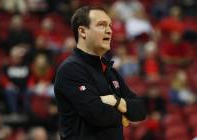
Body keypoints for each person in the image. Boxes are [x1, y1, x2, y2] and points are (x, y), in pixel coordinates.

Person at [54, 6, 146, 140]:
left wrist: (116, 101)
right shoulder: (70, 70)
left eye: (110, 26)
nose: (109, 31)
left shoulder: (109, 69)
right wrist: (125, 115)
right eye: (102, 25)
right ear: (83, 31)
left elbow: (141, 110)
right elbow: (97, 115)